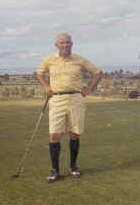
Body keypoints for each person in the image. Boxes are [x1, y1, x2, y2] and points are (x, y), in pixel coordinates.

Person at [37, 33, 102, 183]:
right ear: (56, 45)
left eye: (67, 43)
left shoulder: (80, 60)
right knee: (54, 135)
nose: (65, 45)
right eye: (62, 43)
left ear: (71, 44)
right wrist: (46, 86)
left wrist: (89, 88)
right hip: (57, 99)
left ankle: (73, 166)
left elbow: (97, 72)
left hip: (75, 99)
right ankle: (55, 170)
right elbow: (39, 73)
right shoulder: (50, 59)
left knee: (75, 134)